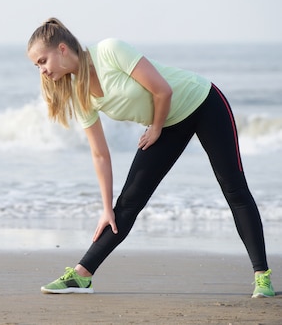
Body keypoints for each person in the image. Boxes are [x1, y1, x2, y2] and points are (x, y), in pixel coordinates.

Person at [26, 17, 275, 298]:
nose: (42, 71)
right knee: (128, 202)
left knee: (233, 187)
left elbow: (162, 89)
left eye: (42, 61)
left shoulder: (109, 50)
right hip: (166, 123)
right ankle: (82, 276)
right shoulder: (77, 91)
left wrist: (155, 128)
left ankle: (262, 278)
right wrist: (106, 207)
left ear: (61, 49)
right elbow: (100, 154)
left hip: (203, 102)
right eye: (37, 66)